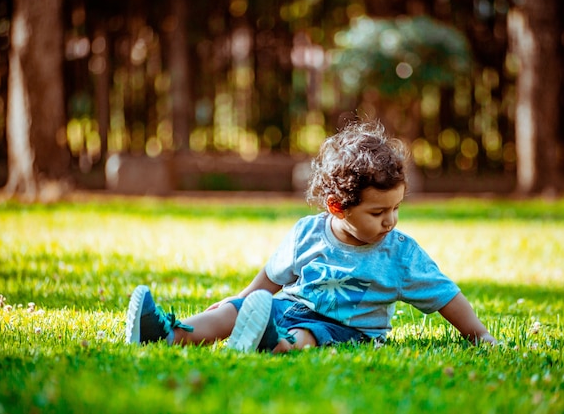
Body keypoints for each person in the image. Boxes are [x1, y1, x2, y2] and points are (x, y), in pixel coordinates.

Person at [125, 120, 496, 353]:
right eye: (378, 212)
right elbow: (271, 278)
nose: (391, 221)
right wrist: (238, 301)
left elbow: (445, 294)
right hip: (291, 306)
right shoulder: (308, 232)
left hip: (349, 329)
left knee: (310, 333)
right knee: (232, 312)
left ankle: (276, 345)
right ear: (337, 207)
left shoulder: (399, 254)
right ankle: (168, 334)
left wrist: (479, 335)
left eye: (396, 208)